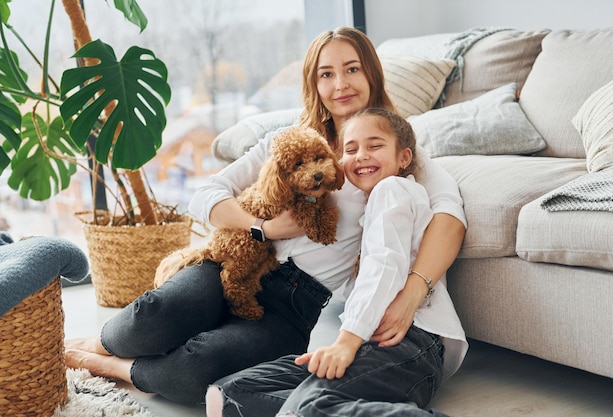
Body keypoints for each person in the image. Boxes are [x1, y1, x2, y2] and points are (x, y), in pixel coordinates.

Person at [64, 26, 466, 405]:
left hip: (294, 303)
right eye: (327, 74)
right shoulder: (286, 141)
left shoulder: (390, 153)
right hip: (233, 262)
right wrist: (263, 227)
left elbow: (450, 219)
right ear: (315, 85)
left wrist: (413, 292)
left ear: (372, 75)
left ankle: (110, 365)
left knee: (197, 370)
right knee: (152, 317)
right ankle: (100, 342)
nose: (340, 84)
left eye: (352, 69)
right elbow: (205, 196)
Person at [205, 108, 467, 417]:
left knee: (307, 406)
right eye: (351, 149)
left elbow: (385, 266)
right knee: (228, 394)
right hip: (368, 341)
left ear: (404, 157)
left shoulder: (394, 190)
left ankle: (309, 408)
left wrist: (346, 342)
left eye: (375, 145)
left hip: (411, 341)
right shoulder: (362, 211)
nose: (361, 156)